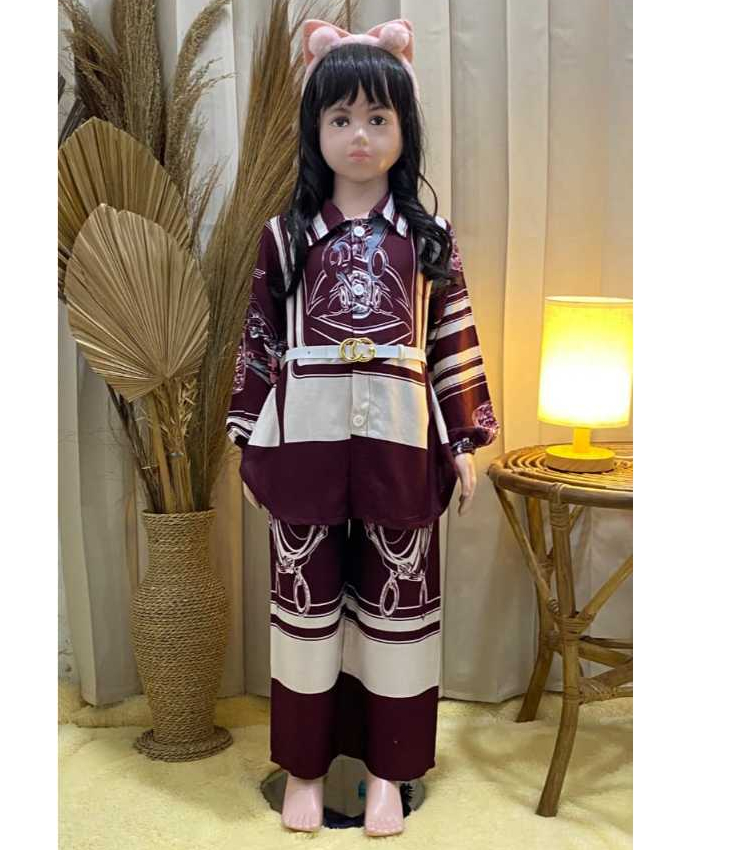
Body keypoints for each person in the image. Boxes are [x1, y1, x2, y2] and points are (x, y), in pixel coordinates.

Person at [226, 18, 500, 836]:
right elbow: (260, 339)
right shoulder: (285, 237)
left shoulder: (429, 240)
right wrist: (248, 438)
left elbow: (451, 337)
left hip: (401, 443)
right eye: (340, 117)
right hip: (302, 441)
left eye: (378, 118)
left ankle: (390, 773)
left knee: (399, 616)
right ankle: (303, 770)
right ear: (315, 129)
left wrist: (463, 440)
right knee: (303, 616)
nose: (359, 135)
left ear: (404, 128)